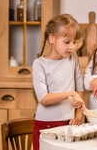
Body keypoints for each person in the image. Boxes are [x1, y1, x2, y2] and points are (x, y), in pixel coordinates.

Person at [32, 14, 85, 150]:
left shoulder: (73, 58)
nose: (72, 47)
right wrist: (70, 94)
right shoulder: (40, 64)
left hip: (68, 124)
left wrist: (78, 117)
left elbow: (80, 89)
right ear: (52, 38)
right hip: (46, 125)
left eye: (74, 42)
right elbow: (43, 99)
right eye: (67, 42)